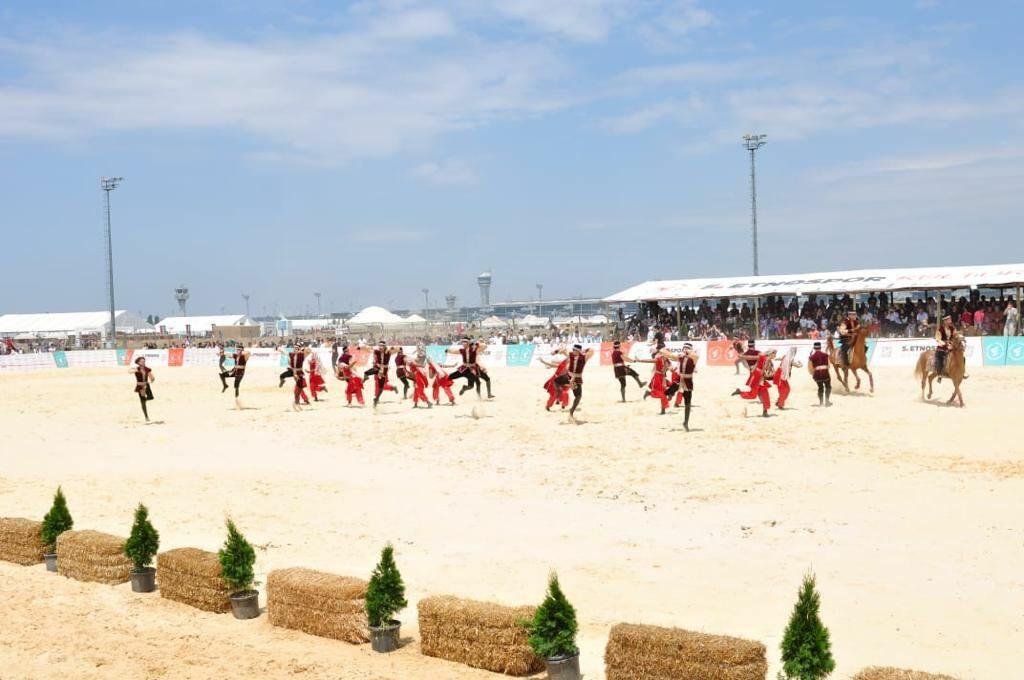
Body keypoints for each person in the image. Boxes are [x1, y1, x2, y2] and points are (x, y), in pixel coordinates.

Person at [553, 344, 593, 422]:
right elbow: (563, 350)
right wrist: (556, 351)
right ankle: (559, 395)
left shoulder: (584, 357)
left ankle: (571, 411)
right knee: (556, 381)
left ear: (578, 351)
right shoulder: (571, 354)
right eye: (573, 350)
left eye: (575, 350)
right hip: (569, 376)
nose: (573, 351)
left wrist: (584, 350)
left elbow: (592, 350)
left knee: (578, 396)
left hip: (576, 379)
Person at [732, 349, 775, 417]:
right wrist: (742, 357)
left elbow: (759, 367)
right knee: (753, 395)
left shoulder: (768, 360)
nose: (775, 355)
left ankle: (765, 412)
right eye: (775, 354)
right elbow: (752, 358)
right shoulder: (763, 357)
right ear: (771, 353)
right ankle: (740, 392)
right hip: (757, 377)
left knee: (765, 395)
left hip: (760, 378)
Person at [364, 340, 399, 407]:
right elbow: (369, 350)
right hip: (377, 369)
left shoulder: (387, 352)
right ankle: (377, 397)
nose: (380, 347)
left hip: (383, 370)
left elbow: (397, 349)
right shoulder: (377, 352)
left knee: (380, 386)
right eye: (379, 346)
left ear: (384, 346)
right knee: (377, 384)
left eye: (382, 346)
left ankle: (389, 389)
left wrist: (393, 347)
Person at [675, 343, 697, 431]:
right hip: (679, 380)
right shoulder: (681, 357)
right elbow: (672, 357)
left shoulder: (693, 358)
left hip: (688, 382)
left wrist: (689, 352)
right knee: (669, 392)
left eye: (687, 348)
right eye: (684, 348)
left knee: (688, 403)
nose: (685, 350)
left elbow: (696, 356)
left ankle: (686, 422)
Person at [807, 341, 832, 406]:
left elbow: (810, 368)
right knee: (828, 387)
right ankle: (827, 401)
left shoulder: (812, 357)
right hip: (825, 373)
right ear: (820, 347)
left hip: (817, 374)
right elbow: (829, 366)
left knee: (820, 388)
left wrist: (813, 374)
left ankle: (821, 402)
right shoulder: (826, 355)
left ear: (814, 348)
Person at [132, 356, 155, 422]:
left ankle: (144, 400)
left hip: (146, 385)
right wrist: (134, 370)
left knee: (151, 397)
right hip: (140, 386)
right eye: (141, 361)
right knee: (143, 402)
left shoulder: (147, 369)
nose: (143, 362)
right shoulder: (137, 368)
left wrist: (152, 379)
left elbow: (151, 377)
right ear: (138, 362)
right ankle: (146, 417)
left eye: (144, 361)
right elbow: (129, 371)